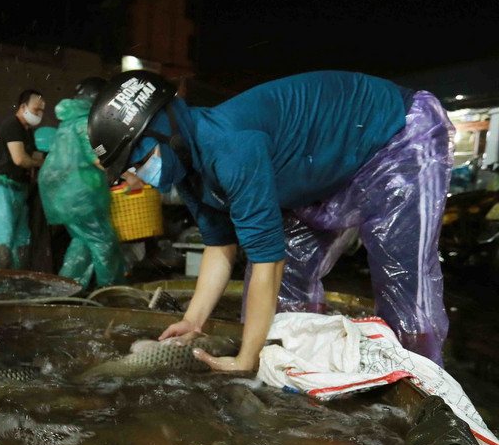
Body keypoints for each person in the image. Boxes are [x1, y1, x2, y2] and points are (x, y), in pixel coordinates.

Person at [89, 70, 454, 369]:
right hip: (324, 165)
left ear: (165, 131)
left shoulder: (231, 148)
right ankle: (294, 364)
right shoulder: (187, 167)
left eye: (139, 160)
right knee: (287, 284)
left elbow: (267, 260)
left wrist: (244, 360)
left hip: (394, 130)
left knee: (401, 278)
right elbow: (220, 247)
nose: (139, 174)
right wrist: (193, 320)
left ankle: (417, 382)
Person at [39, 77, 125, 288]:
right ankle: (112, 294)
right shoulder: (85, 122)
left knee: (83, 243)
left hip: (65, 196)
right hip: (80, 197)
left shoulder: (69, 122)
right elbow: (98, 157)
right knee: (105, 243)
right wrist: (129, 175)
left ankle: (64, 289)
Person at [0, 89, 45, 269]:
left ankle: (17, 286)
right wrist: (42, 163)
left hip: (19, 190)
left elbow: (34, 158)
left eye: (42, 110)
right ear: (23, 106)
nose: (40, 114)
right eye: (36, 110)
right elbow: (20, 159)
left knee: (22, 242)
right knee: (3, 244)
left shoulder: (29, 132)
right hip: (1, 189)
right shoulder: (12, 125)